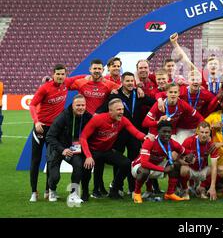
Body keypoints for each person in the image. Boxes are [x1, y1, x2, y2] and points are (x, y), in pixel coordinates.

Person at [28, 64, 84, 202]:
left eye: (62, 74)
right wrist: (36, 122)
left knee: (51, 160)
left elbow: (82, 77)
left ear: (65, 75)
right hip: (41, 128)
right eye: (57, 74)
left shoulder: (66, 83)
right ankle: (34, 192)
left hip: (55, 130)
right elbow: (32, 105)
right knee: (35, 160)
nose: (60, 76)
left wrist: (91, 77)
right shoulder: (45, 88)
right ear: (53, 74)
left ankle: (49, 191)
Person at [95, 72, 156, 197]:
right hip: (118, 134)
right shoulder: (115, 96)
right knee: (119, 161)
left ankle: (132, 188)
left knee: (133, 161)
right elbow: (101, 110)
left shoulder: (138, 94)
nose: (129, 83)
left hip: (134, 134)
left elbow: (153, 102)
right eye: (127, 81)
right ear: (122, 82)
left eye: (131, 81)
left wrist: (160, 101)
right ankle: (118, 187)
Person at [80, 98, 146, 199]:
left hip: (107, 151)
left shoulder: (123, 120)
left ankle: (114, 190)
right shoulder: (98, 119)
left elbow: (135, 132)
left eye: (122, 109)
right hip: (93, 150)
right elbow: (83, 137)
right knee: (87, 166)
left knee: (127, 163)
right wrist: (88, 156)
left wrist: (145, 137)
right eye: (118, 110)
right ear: (110, 111)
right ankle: (85, 193)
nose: (122, 112)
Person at [131, 120, 195, 203]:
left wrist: (191, 155)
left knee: (176, 164)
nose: (167, 134)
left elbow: (186, 151)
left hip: (156, 166)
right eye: (164, 131)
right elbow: (144, 163)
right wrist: (163, 170)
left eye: (169, 132)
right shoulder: (150, 141)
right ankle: (137, 193)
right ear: (158, 131)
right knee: (144, 170)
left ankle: (170, 193)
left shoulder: (173, 143)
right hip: (139, 166)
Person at [46, 94, 92, 203]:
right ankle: (52, 189)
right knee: (55, 177)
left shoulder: (87, 117)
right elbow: (49, 136)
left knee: (79, 166)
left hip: (73, 150)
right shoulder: (63, 117)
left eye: (83, 105)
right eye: (78, 105)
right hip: (57, 149)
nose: (81, 107)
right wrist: (62, 150)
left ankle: (73, 194)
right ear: (72, 106)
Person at [180, 122, 219, 200]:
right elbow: (178, 159)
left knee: (218, 169)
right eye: (202, 132)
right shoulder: (189, 141)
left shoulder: (211, 145)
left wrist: (212, 187)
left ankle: (202, 188)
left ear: (210, 133)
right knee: (183, 169)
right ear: (197, 132)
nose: (204, 135)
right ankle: (185, 190)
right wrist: (187, 161)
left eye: (206, 132)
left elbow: (214, 167)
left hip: (202, 171)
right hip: (191, 170)